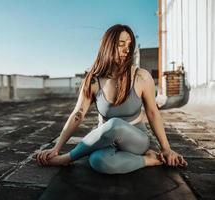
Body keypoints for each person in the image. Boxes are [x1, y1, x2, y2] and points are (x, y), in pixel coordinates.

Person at [36, 24, 188, 174]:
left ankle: (67, 159)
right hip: (107, 140)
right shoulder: (93, 80)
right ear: (108, 46)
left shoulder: (141, 76)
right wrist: (56, 148)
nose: (127, 49)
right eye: (121, 44)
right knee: (98, 161)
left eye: (129, 45)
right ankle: (150, 160)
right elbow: (78, 114)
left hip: (135, 140)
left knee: (114, 124)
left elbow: (153, 112)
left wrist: (166, 149)